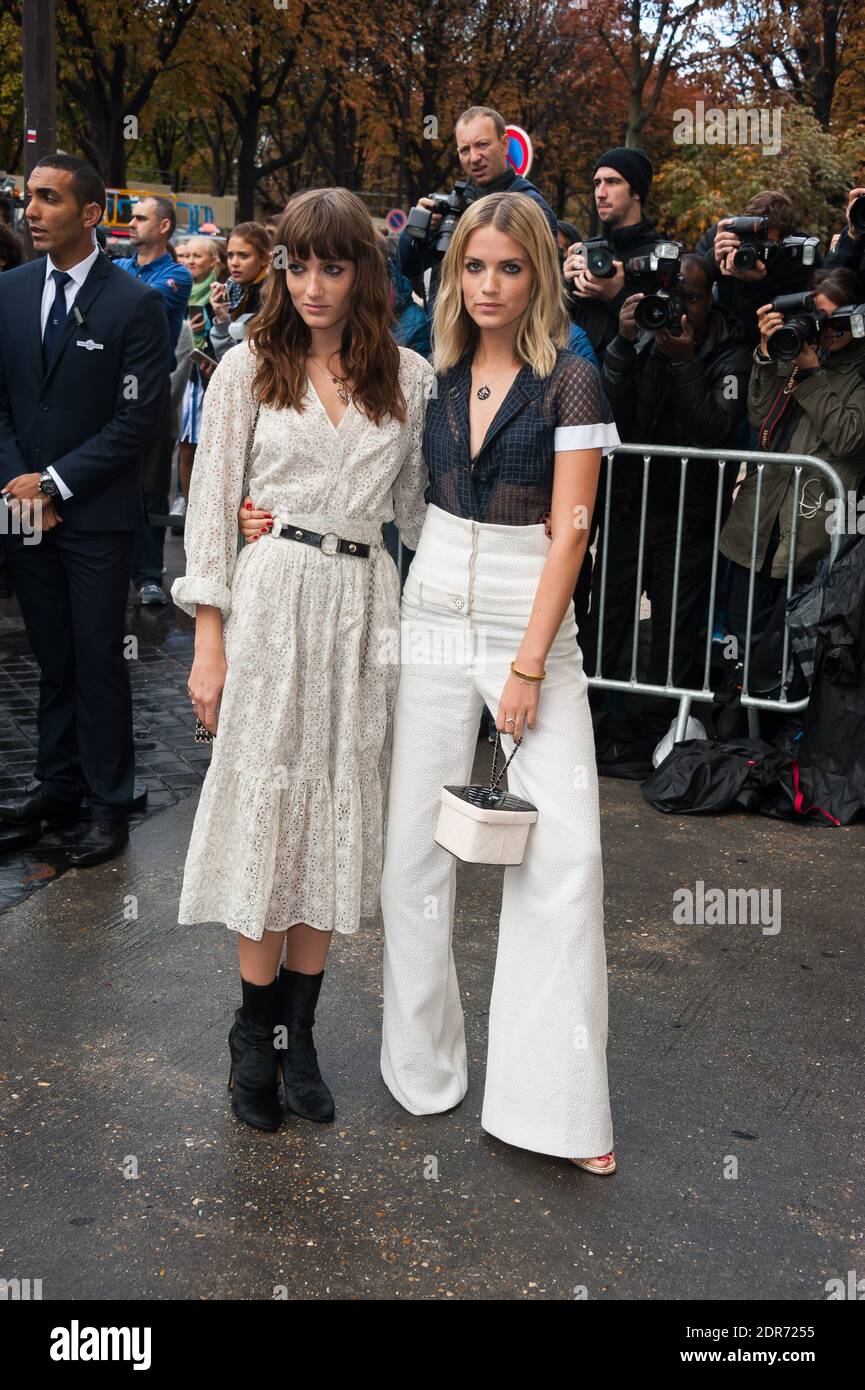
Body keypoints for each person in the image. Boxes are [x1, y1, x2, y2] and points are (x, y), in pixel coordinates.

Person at [171, 187, 434, 1134]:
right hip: (273, 599)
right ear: (280, 269)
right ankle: (253, 1035)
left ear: (363, 269)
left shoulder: (406, 376)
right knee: (268, 809)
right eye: (297, 264)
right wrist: (209, 639)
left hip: (365, 608)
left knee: (337, 806)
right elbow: (210, 507)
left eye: (332, 265)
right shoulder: (248, 366)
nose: (313, 285)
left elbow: (419, 513)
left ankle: (303, 1034)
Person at [379, 191, 621, 1173]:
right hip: (432, 605)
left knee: (564, 859)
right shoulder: (426, 371)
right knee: (413, 853)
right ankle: (421, 1069)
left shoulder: (572, 378)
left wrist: (526, 661)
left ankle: (555, 1109)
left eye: (508, 268)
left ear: (537, 273)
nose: (487, 286)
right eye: (472, 267)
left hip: (533, 618)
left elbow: (572, 531)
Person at [0, 153, 170, 864]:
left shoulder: (134, 303)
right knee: (52, 657)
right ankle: (56, 786)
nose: (31, 211)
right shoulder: (6, 291)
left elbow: (138, 423)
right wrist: (19, 485)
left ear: (91, 214)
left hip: (94, 514)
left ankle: (109, 802)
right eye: (27, 197)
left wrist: (56, 484)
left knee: (99, 657)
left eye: (47, 199)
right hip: (17, 506)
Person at [583, 253, 752, 692]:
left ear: (709, 301)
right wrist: (622, 345)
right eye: (670, 295)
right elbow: (606, 415)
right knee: (607, 622)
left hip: (688, 515)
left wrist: (684, 361)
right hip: (628, 507)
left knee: (673, 634)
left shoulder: (731, 351)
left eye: (690, 298)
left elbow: (712, 429)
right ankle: (598, 719)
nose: (677, 308)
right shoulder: (642, 335)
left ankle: (660, 730)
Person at [720, 267, 865, 654]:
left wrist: (813, 374)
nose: (827, 332)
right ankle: (733, 709)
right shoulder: (795, 350)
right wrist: (769, 355)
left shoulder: (857, 371)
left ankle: (785, 716)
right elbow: (758, 414)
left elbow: (849, 436)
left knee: (790, 652)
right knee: (740, 640)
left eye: (837, 322)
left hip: (813, 537)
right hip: (759, 523)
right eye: (819, 320)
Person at [397, 105, 558, 323]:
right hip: (447, 337)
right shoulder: (455, 203)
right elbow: (407, 268)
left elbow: (545, 285)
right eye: (465, 150)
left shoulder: (530, 207)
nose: (474, 157)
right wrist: (415, 230)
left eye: (482, 145)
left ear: (504, 144)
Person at [117, 196, 193, 604]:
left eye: (140, 217)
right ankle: (112, 563)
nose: (131, 223)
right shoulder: (118, 268)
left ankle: (147, 574)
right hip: (108, 389)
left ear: (163, 226)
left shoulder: (177, 276)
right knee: (108, 477)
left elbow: (132, 308)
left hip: (150, 391)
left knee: (149, 484)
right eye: (131, 216)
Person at [694, 189, 821, 348]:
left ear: (784, 239)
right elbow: (690, 281)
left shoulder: (798, 253)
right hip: (719, 334)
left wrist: (756, 283)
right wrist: (713, 259)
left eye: (765, 243)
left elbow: (789, 319)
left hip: (766, 341)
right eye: (750, 238)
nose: (755, 247)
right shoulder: (726, 233)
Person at [178, 236, 220, 512]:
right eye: (186, 256)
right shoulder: (178, 288)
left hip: (212, 376)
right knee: (185, 443)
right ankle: (185, 500)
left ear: (214, 261)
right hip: (185, 373)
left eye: (197, 256)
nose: (190, 261)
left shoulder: (222, 292)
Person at [207, 221, 270, 362]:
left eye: (243, 255)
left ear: (264, 258)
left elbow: (243, 361)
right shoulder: (231, 289)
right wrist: (222, 317)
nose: (234, 263)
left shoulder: (272, 297)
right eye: (230, 255)